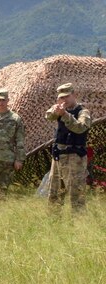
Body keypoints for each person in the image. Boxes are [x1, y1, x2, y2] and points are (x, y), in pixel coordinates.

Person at [45, 82, 93, 213]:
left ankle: (79, 223)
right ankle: (53, 221)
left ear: (74, 95)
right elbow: (48, 116)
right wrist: (56, 110)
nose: (64, 100)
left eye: (67, 96)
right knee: (54, 191)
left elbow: (80, 128)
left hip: (75, 157)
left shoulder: (83, 112)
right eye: (61, 97)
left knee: (76, 193)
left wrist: (65, 115)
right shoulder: (59, 109)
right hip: (59, 156)